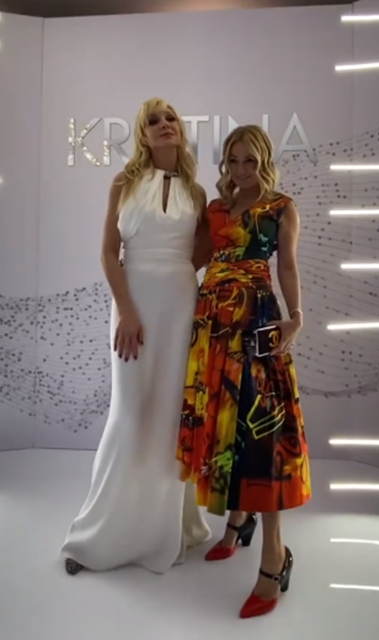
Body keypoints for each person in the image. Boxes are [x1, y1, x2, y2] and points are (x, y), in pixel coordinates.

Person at [62, 98, 211, 576]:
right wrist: (127, 308)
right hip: (133, 304)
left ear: (180, 131)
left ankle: (162, 532)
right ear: (142, 135)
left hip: (180, 306)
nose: (164, 125)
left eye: (171, 119)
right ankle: (100, 535)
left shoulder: (197, 192)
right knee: (129, 413)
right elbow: (109, 253)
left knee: (169, 414)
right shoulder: (123, 183)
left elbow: (202, 252)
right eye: (153, 121)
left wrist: (179, 277)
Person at [176, 125, 311, 618]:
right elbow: (191, 261)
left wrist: (296, 317)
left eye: (250, 161)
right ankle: (237, 522)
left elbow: (287, 267)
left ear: (264, 161)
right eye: (233, 161)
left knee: (263, 432)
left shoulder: (281, 207)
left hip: (256, 322)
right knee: (226, 427)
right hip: (212, 327)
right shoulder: (215, 210)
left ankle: (275, 556)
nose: (240, 169)